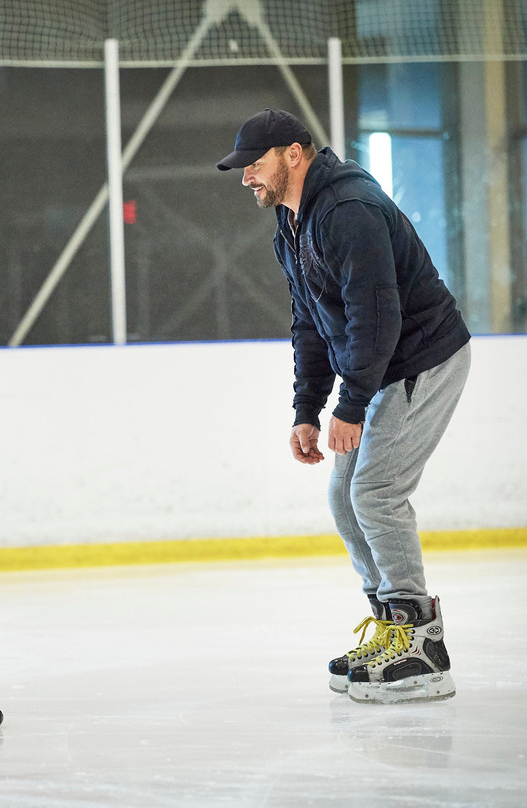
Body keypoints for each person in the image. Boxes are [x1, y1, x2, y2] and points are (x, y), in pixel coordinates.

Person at [217, 109, 471, 704]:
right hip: (382, 365)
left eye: (254, 164)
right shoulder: (292, 222)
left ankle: (422, 647)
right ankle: (391, 629)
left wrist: (351, 405)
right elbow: (311, 321)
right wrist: (307, 407)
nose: (246, 177)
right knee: (344, 495)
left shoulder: (348, 210)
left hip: (421, 359)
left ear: (293, 154)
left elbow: (375, 316)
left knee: (375, 491)